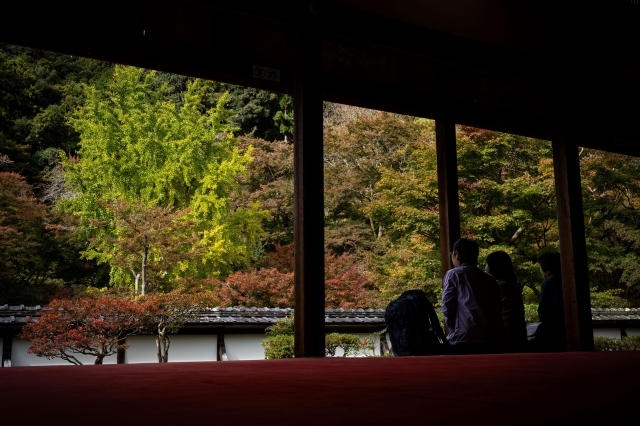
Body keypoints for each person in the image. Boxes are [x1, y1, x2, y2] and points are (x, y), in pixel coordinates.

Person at [441, 238, 507, 353]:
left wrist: (453, 331)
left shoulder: (454, 274)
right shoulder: (489, 278)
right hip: (495, 338)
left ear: (457, 255)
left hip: (467, 339)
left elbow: (447, 306)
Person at [485, 251, 527, 351]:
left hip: (504, 335)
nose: (485, 267)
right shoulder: (514, 285)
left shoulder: (498, 286)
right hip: (518, 333)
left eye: (486, 264)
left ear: (493, 267)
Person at [532, 251, 566, 351]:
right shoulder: (565, 280)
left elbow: (543, 310)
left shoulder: (549, 283)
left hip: (552, 330)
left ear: (547, 270)